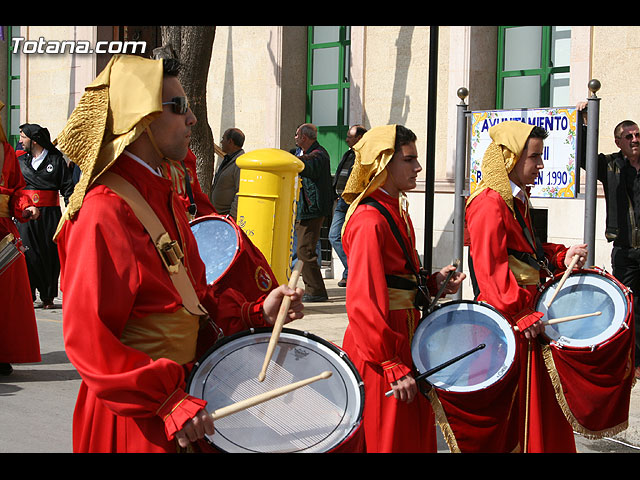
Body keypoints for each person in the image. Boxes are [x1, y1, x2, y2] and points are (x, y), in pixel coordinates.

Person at [53, 54, 304, 453]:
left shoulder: (164, 195)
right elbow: (88, 339)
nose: (192, 120)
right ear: (141, 119)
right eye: (179, 107)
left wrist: (255, 312)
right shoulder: (104, 209)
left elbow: (194, 303)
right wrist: (164, 399)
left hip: (181, 404)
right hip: (138, 420)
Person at [340, 124, 464, 453]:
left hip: (403, 336)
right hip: (381, 344)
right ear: (383, 163)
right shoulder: (370, 220)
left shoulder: (395, 211)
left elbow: (398, 277)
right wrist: (389, 361)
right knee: (388, 438)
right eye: (409, 160)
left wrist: (435, 282)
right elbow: (363, 298)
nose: (418, 167)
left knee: (410, 435)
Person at [465, 121, 588, 452]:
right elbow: (489, 267)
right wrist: (519, 312)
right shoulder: (489, 202)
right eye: (534, 157)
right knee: (515, 413)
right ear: (511, 158)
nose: (541, 165)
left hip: (525, 315)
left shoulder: (514, 199)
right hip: (510, 321)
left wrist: (562, 256)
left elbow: (525, 251)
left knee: (534, 406)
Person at [576, 102, 640, 378]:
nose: (635, 140)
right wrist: (583, 121)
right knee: (630, 309)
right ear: (619, 142)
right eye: (630, 136)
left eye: (638, 135)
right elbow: (581, 155)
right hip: (625, 251)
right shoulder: (610, 166)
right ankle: (633, 361)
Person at [0, 101, 41, 376]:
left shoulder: (4, 151)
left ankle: (3, 353)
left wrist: (24, 206)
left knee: (7, 297)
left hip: (3, 232)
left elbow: (16, 190)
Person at [16, 123, 74, 309]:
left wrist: (73, 209)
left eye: (23, 137)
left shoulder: (56, 160)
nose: (20, 141)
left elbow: (67, 187)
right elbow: (16, 187)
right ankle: (29, 293)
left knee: (49, 254)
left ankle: (48, 295)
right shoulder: (20, 161)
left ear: (34, 141)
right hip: (25, 215)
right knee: (27, 253)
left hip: (49, 215)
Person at [294, 123, 333, 302]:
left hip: (312, 209)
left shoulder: (319, 155)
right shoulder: (298, 153)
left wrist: (290, 161)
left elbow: (308, 166)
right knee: (302, 250)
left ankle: (316, 290)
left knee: (305, 250)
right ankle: (313, 288)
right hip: (302, 208)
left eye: (297, 135)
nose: (294, 138)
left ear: (304, 137)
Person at [329, 125, 366, 287]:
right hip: (341, 201)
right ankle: (351, 270)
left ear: (359, 138)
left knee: (348, 238)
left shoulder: (364, 155)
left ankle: (351, 272)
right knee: (334, 236)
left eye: (350, 136)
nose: (346, 139)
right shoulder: (349, 153)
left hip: (354, 202)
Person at [209, 128, 245, 220]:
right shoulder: (228, 159)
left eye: (223, 138)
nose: (221, 142)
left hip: (226, 217)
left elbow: (240, 191)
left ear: (230, 141)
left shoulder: (240, 163)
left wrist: (232, 216)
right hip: (217, 214)